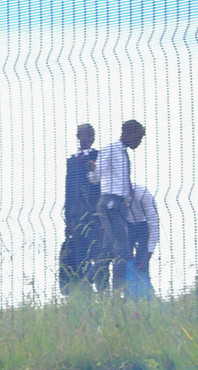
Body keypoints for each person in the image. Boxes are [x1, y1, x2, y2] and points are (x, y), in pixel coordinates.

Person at [94, 120, 145, 293]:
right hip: (111, 203)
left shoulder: (123, 152)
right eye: (138, 137)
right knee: (121, 249)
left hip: (120, 205)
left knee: (109, 247)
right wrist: (93, 169)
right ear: (129, 134)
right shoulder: (110, 149)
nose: (139, 142)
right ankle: (116, 291)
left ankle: (91, 281)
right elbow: (95, 177)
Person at [59, 124, 100, 294]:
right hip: (75, 214)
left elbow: (100, 185)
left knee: (96, 253)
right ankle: (82, 292)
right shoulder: (72, 160)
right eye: (81, 135)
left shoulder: (98, 156)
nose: (84, 138)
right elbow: (68, 189)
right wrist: (68, 219)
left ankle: (102, 289)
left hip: (93, 212)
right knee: (78, 253)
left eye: (88, 135)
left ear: (93, 137)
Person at [121, 182, 161, 299]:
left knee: (141, 263)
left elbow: (153, 223)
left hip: (144, 225)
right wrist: (127, 249)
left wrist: (148, 253)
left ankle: (146, 297)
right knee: (125, 261)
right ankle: (129, 296)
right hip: (127, 226)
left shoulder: (143, 194)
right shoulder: (115, 197)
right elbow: (119, 222)